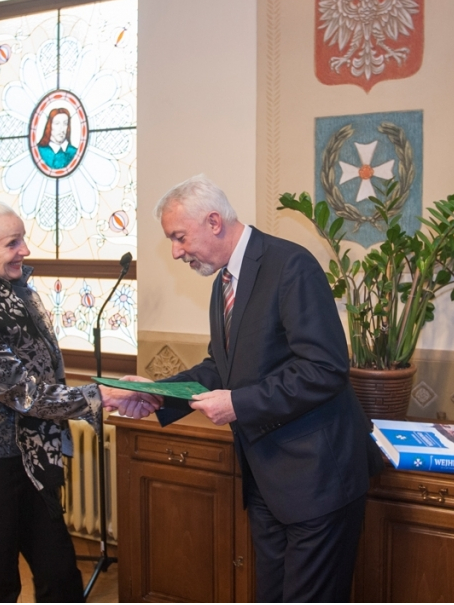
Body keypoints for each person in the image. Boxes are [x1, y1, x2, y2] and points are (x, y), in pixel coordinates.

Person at [139, 174, 382, 602]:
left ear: (214, 221)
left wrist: (239, 404)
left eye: (179, 238)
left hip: (317, 480)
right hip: (266, 481)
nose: (176, 252)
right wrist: (156, 392)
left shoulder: (289, 265)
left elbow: (325, 368)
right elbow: (222, 368)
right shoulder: (223, 283)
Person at [0, 185, 157, 603]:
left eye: (22, 238)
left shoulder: (24, 297)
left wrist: (114, 390)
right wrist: (103, 395)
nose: (25, 250)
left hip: (33, 463)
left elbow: (46, 378)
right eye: (12, 243)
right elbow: (27, 395)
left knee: (62, 582)